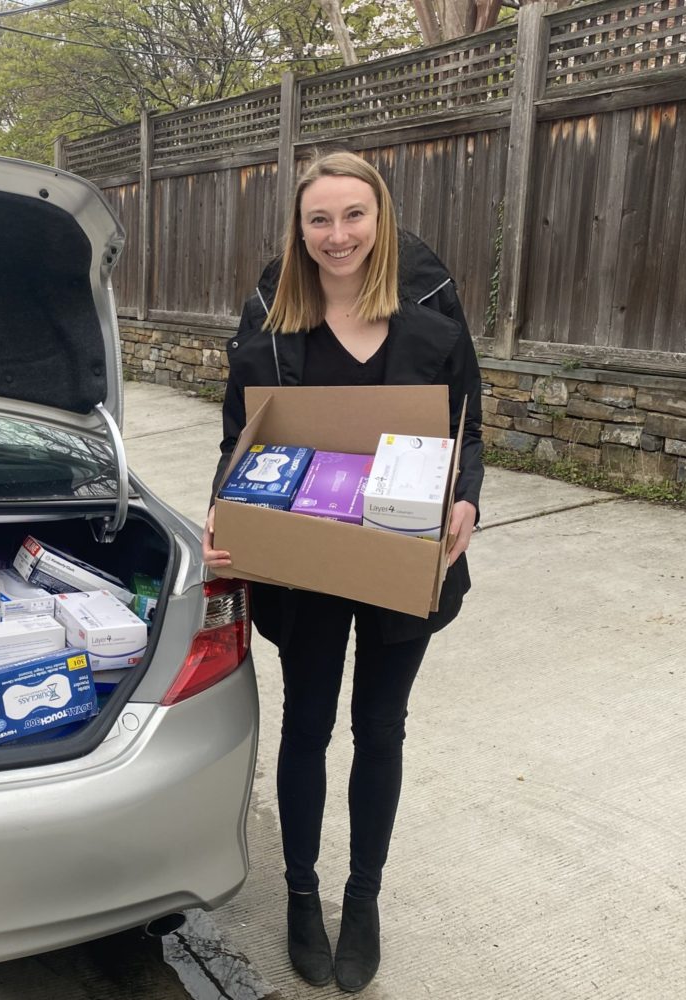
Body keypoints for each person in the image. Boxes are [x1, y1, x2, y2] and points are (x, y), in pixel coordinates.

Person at [202, 150, 484, 993]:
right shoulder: (273, 334)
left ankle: (363, 898)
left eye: (353, 216)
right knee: (308, 724)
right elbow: (237, 442)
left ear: (381, 220)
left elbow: (469, 428)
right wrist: (223, 510)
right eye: (319, 219)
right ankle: (301, 892)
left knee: (382, 727)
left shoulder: (430, 327)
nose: (337, 235)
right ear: (300, 229)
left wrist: (466, 499)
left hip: (402, 555)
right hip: (308, 562)